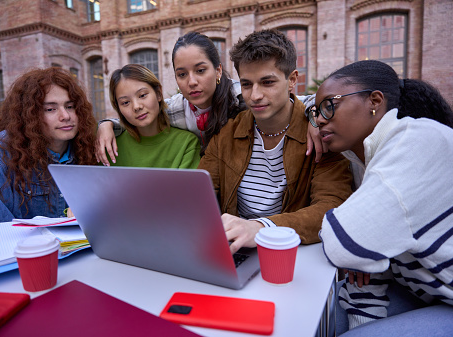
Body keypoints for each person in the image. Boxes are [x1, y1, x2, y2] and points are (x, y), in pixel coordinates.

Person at [314, 60, 453, 336]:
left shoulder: (415, 141)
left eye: (329, 106)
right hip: (427, 290)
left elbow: (344, 244)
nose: (320, 119)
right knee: (314, 321)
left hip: (449, 299)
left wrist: (355, 246)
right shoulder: (372, 155)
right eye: (315, 112)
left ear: (375, 101)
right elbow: (362, 257)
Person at [197, 29, 354, 254]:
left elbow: (331, 208)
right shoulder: (228, 134)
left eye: (267, 82)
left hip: (290, 253)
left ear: (292, 80)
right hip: (235, 250)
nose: (255, 95)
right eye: (247, 84)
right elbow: (200, 193)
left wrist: (261, 228)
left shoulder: (320, 133)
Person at [0, 67, 97, 225]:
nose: (65, 116)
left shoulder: (85, 146)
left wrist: (109, 124)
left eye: (70, 106)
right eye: (50, 109)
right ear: (29, 115)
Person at [95, 31, 245, 163]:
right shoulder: (176, 109)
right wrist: (106, 125)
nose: (192, 82)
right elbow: (143, 114)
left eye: (200, 70)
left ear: (218, 70)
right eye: (182, 74)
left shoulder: (242, 99)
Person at [106, 63, 200, 168]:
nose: (137, 107)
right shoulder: (109, 146)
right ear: (118, 107)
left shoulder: (186, 143)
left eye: (142, 95)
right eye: (125, 102)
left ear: (158, 93)